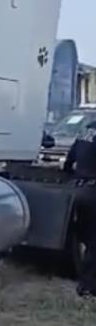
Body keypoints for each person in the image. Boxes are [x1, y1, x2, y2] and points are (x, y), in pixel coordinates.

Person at [63, 121, 96, 297]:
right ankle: (88, 287)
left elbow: (69, 162)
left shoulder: (88, 129)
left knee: (86, 238)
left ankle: (86, 282)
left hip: (79, 189)